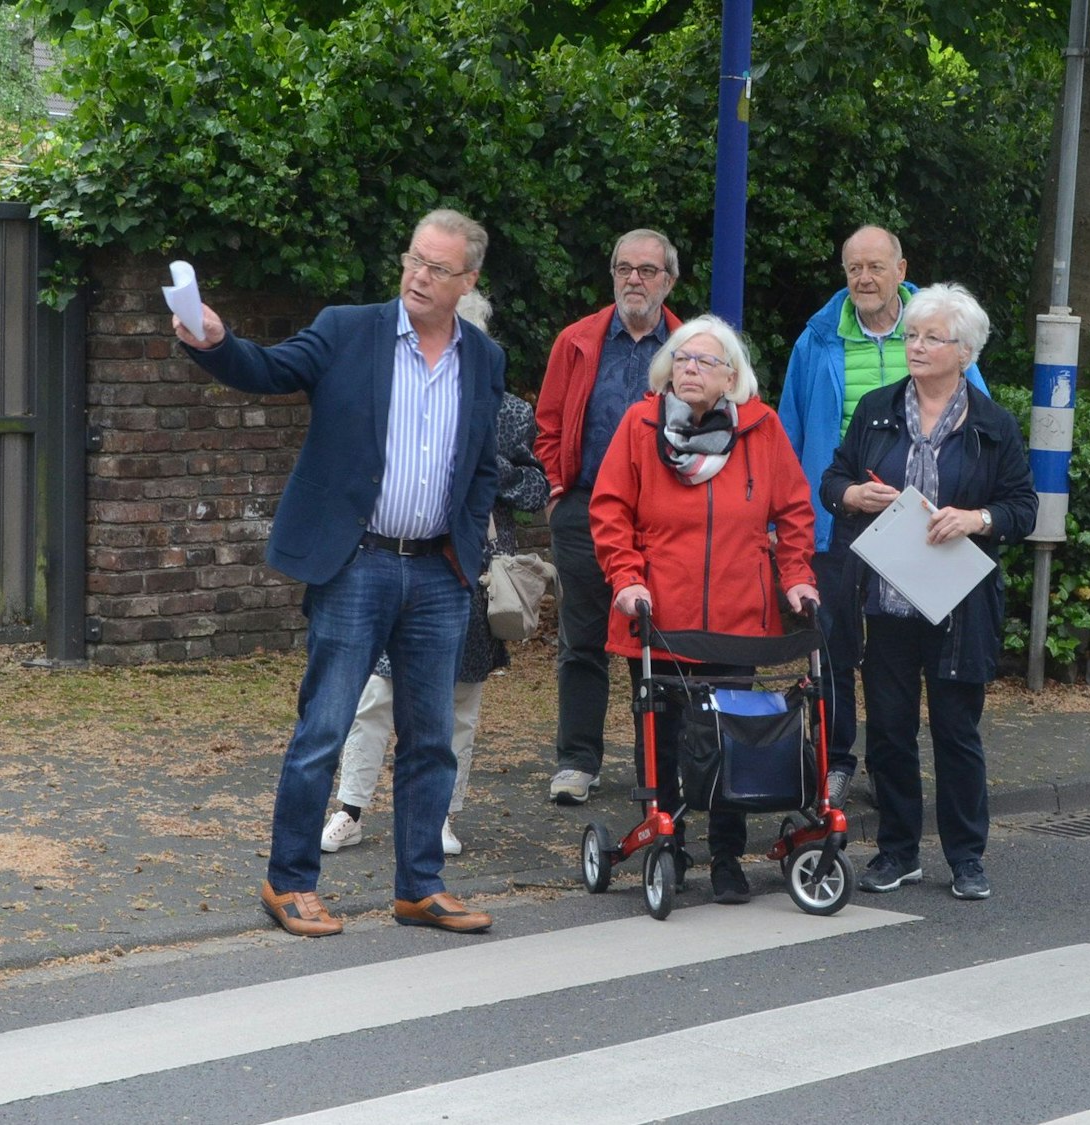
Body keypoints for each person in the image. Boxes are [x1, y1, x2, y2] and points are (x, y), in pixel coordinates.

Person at [172, 209, 505, 937]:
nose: (419, 275)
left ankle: (420, 884)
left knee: (431, 738)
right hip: (356, 563)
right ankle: (289, 881)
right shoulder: (349, 329)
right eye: (415, 259)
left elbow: (483, 463)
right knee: (324, 727)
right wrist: (215, 341)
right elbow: (269, 369)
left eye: (438, 268)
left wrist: (464, 554)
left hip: (437, 572)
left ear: (467, 281)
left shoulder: (483, 358)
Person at [590, 315, 818, 904]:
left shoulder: (763, 431)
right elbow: (611, 510)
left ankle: (726, 855)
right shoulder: (640, 425)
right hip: (661, 615)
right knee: (663, 737)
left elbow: (794, 511)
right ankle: (669, 843)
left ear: (731, 377)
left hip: (739, 619)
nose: (690, 370)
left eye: (705, 362)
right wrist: (626, 579)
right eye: (683, 360)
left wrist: (796, 578)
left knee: (733, 735)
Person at [818, 283, 1034, 902]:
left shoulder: (992, 425)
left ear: (963, 350)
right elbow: (834, 476)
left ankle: (967, 857)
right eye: (912, 334)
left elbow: (1021, 507)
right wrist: (850, 496)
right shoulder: (877, 409)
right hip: (885, 600)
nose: (916, 345)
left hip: (959, 605)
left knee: (955, 732)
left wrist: (975, 520)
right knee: (888, 730)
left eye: (931, 337)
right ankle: (897, 851)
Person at [321, 291, 549, 857]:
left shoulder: (511, 410)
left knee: (459, 707)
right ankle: (350, 807)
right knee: (375, 696)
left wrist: (483, 465)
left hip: (470, 576)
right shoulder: (399, 395)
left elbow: (538, 487)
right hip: (399, 564)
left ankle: (443, 815)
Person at [780, 226, 990, 808]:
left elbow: (981, 422)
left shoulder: (940, 329)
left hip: (924, 530)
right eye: (853, 269)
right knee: (837, 648)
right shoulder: (817, 340)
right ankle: (840, 758)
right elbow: (790, 430)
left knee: (907, 652)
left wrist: (973, 512)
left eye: (876, 266)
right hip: (839, 520)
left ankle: (891, 765)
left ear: (901, 268)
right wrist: (787, 519)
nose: (864, 278)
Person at [534, 230, 684, 805]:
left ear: (668, 279)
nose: (634, 280)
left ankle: (656, 765)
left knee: (657, 640)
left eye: (647, 270)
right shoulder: (576, 341)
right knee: (582, 641)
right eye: (624, 268)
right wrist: (555, 487)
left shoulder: (689, 345)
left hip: (664, 518)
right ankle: (577, 761)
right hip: (586, 510)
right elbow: (548, 423)